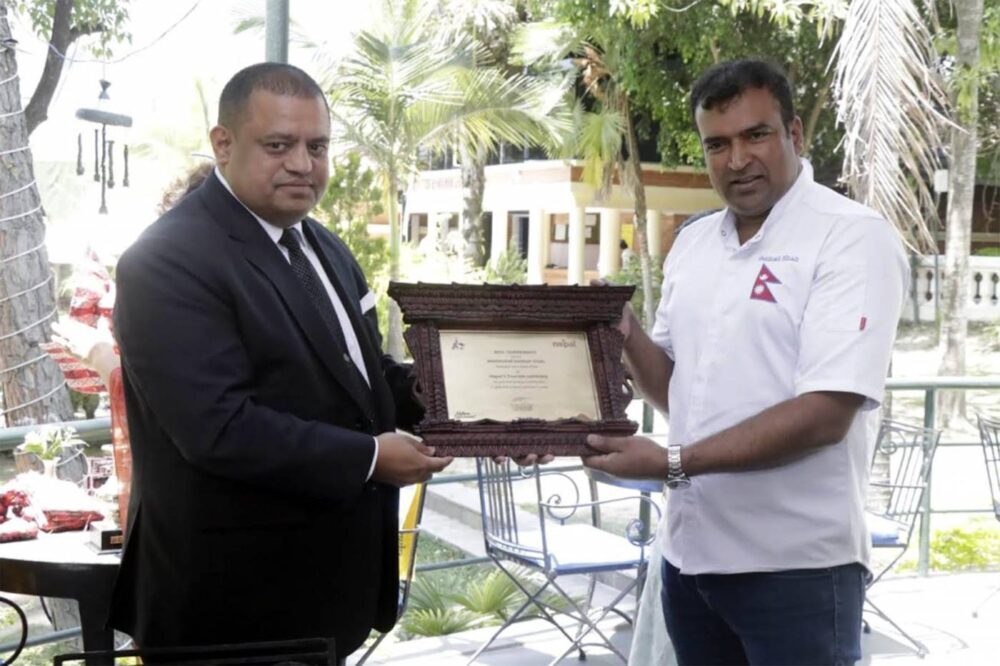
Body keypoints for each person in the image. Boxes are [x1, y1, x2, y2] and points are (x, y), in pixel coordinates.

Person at [108, 63, 451, 660]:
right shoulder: (166, 260)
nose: (302, 164)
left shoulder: (325, 246)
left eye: (317, 146)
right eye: (278, 145)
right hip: (229, 610)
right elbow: (218, 428)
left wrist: (466, 404)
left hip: (327, 597)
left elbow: (365, 377)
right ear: (223, 144)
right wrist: (371, 458)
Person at [584, 59, 908, 665]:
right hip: (690, 561)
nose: (736, 160)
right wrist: (622, 329)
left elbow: (826, 414)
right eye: (717, 144)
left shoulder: (851, 237)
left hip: (796, 571)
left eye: (755, 135)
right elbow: (676, 389)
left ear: (794, 134)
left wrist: (672, 463)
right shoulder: (694, 242)